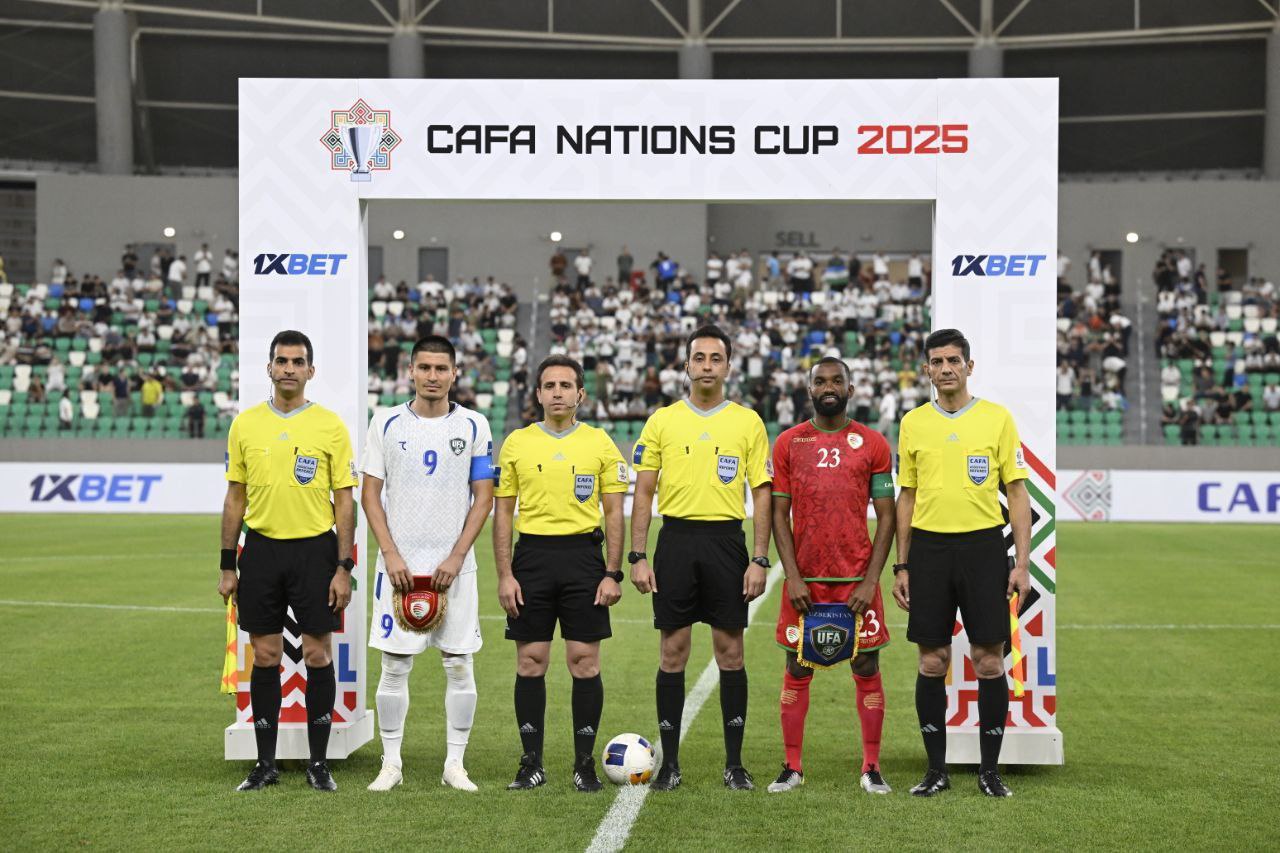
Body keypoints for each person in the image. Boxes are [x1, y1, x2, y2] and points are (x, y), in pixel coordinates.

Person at [630, 324, 773, 791]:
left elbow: (762, 493)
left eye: (716, 358)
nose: (707, 365)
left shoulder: (748, 422)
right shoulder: (662, 421)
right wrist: (637, 555)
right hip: (675, 541)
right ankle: (670, 764)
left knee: (731, 652)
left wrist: (759, 559)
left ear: (728, 366)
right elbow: (644, 492)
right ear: (687, 365)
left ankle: (735, 764)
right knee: (672, 651)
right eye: (699, 357)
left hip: (727, 543)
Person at [891, 328, 1031, 798]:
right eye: (937, 361)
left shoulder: (997, 419)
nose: (946, 368)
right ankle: (936, 770)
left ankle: (990, 772)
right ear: (926, 370)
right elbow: (907, 496)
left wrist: (1022, 563)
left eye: (954, 360)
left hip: (983, 549)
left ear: (969, 367)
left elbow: (1016, 493)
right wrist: (902, 565)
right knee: (932, 661)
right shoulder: (913, 423)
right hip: (929, 551)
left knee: (988, 661)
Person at [217, 330, 359, 793]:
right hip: (261, 551)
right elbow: (235, 497)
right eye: (282, 361)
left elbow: (345, 500)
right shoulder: (245, 425)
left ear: (311, 370)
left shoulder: (330, 426)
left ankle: (319, 763)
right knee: (265, 654)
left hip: (316, 552)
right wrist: (227, 564)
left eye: (298, 362)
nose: (289, 369)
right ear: (270, 368)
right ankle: (265, 764)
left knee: (317, 653)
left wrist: (343, 566)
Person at [362, 335, 495, 793]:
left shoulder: (474, 424)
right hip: (398, 568)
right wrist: (390, 554)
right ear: (411, 371)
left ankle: (455, 764)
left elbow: (483, 498)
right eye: (424, 368)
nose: (432, 376)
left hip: (455, 568)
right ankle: (391, 763)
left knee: (459, 664)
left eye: (441, 369)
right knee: (394, 665)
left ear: (455, 373)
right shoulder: (385, 422)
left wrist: (456, 556)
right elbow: (370, 495)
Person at [494, 355, 627, 791]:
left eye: (565, 386)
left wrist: (612, 573)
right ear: (537, 394)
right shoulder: (516, 443)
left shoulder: (600, 443)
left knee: (584, 662)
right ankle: (530, 762)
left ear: (580, 394)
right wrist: (505, 574)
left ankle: (584, 764)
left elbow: (614, 512)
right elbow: (503, 514)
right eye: (549, 385)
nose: (557, 392)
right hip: (531, 558)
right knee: (530, 660)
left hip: (583, 559)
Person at [767, 357, 896, 795]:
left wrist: (871, 581)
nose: (828, 387)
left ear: (850, 389)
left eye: (836, 381)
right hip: (806, 582)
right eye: (820, 381)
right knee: (796, 666)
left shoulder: (873, 443)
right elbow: (779, 515)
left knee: (867, 665)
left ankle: (872, 766)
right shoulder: (788, 442)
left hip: (857, 580)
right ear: (809, 390)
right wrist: (793, 577)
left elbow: (887, 517)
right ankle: (792, 766)